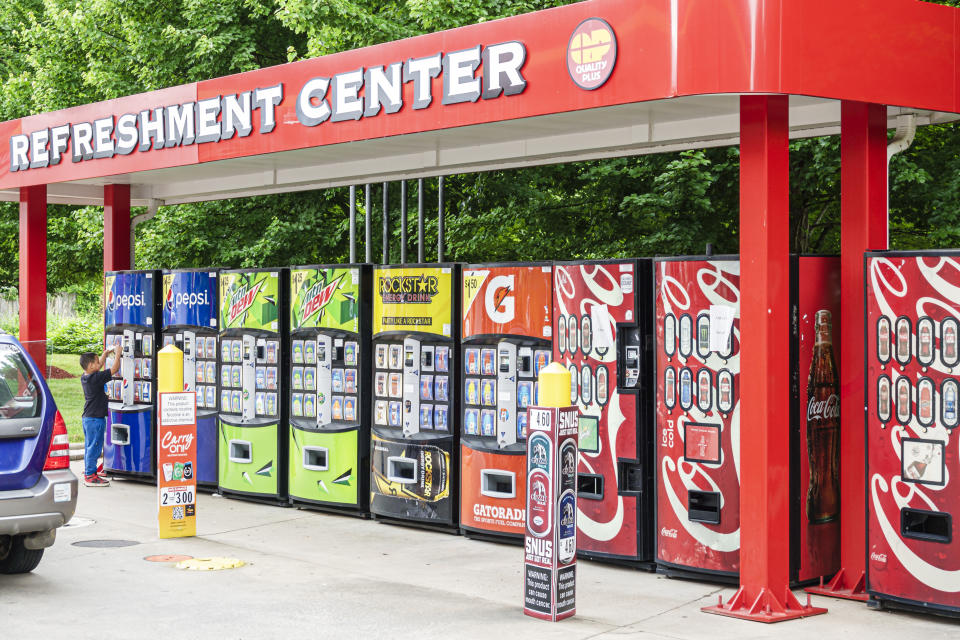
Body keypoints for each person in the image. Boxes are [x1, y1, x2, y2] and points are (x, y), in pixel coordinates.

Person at [79, 344, 120, 487]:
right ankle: (90, 476)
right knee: (94, 447)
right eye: (97, 362)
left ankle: (88, 471)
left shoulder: (86, 376)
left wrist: (105, 353)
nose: (99, 364)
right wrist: (118, 354)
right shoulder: (96, 378)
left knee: (89, 446)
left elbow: (99, 364)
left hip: (88, 418)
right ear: (91, 366)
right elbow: (114, 370)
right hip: (95, 419)